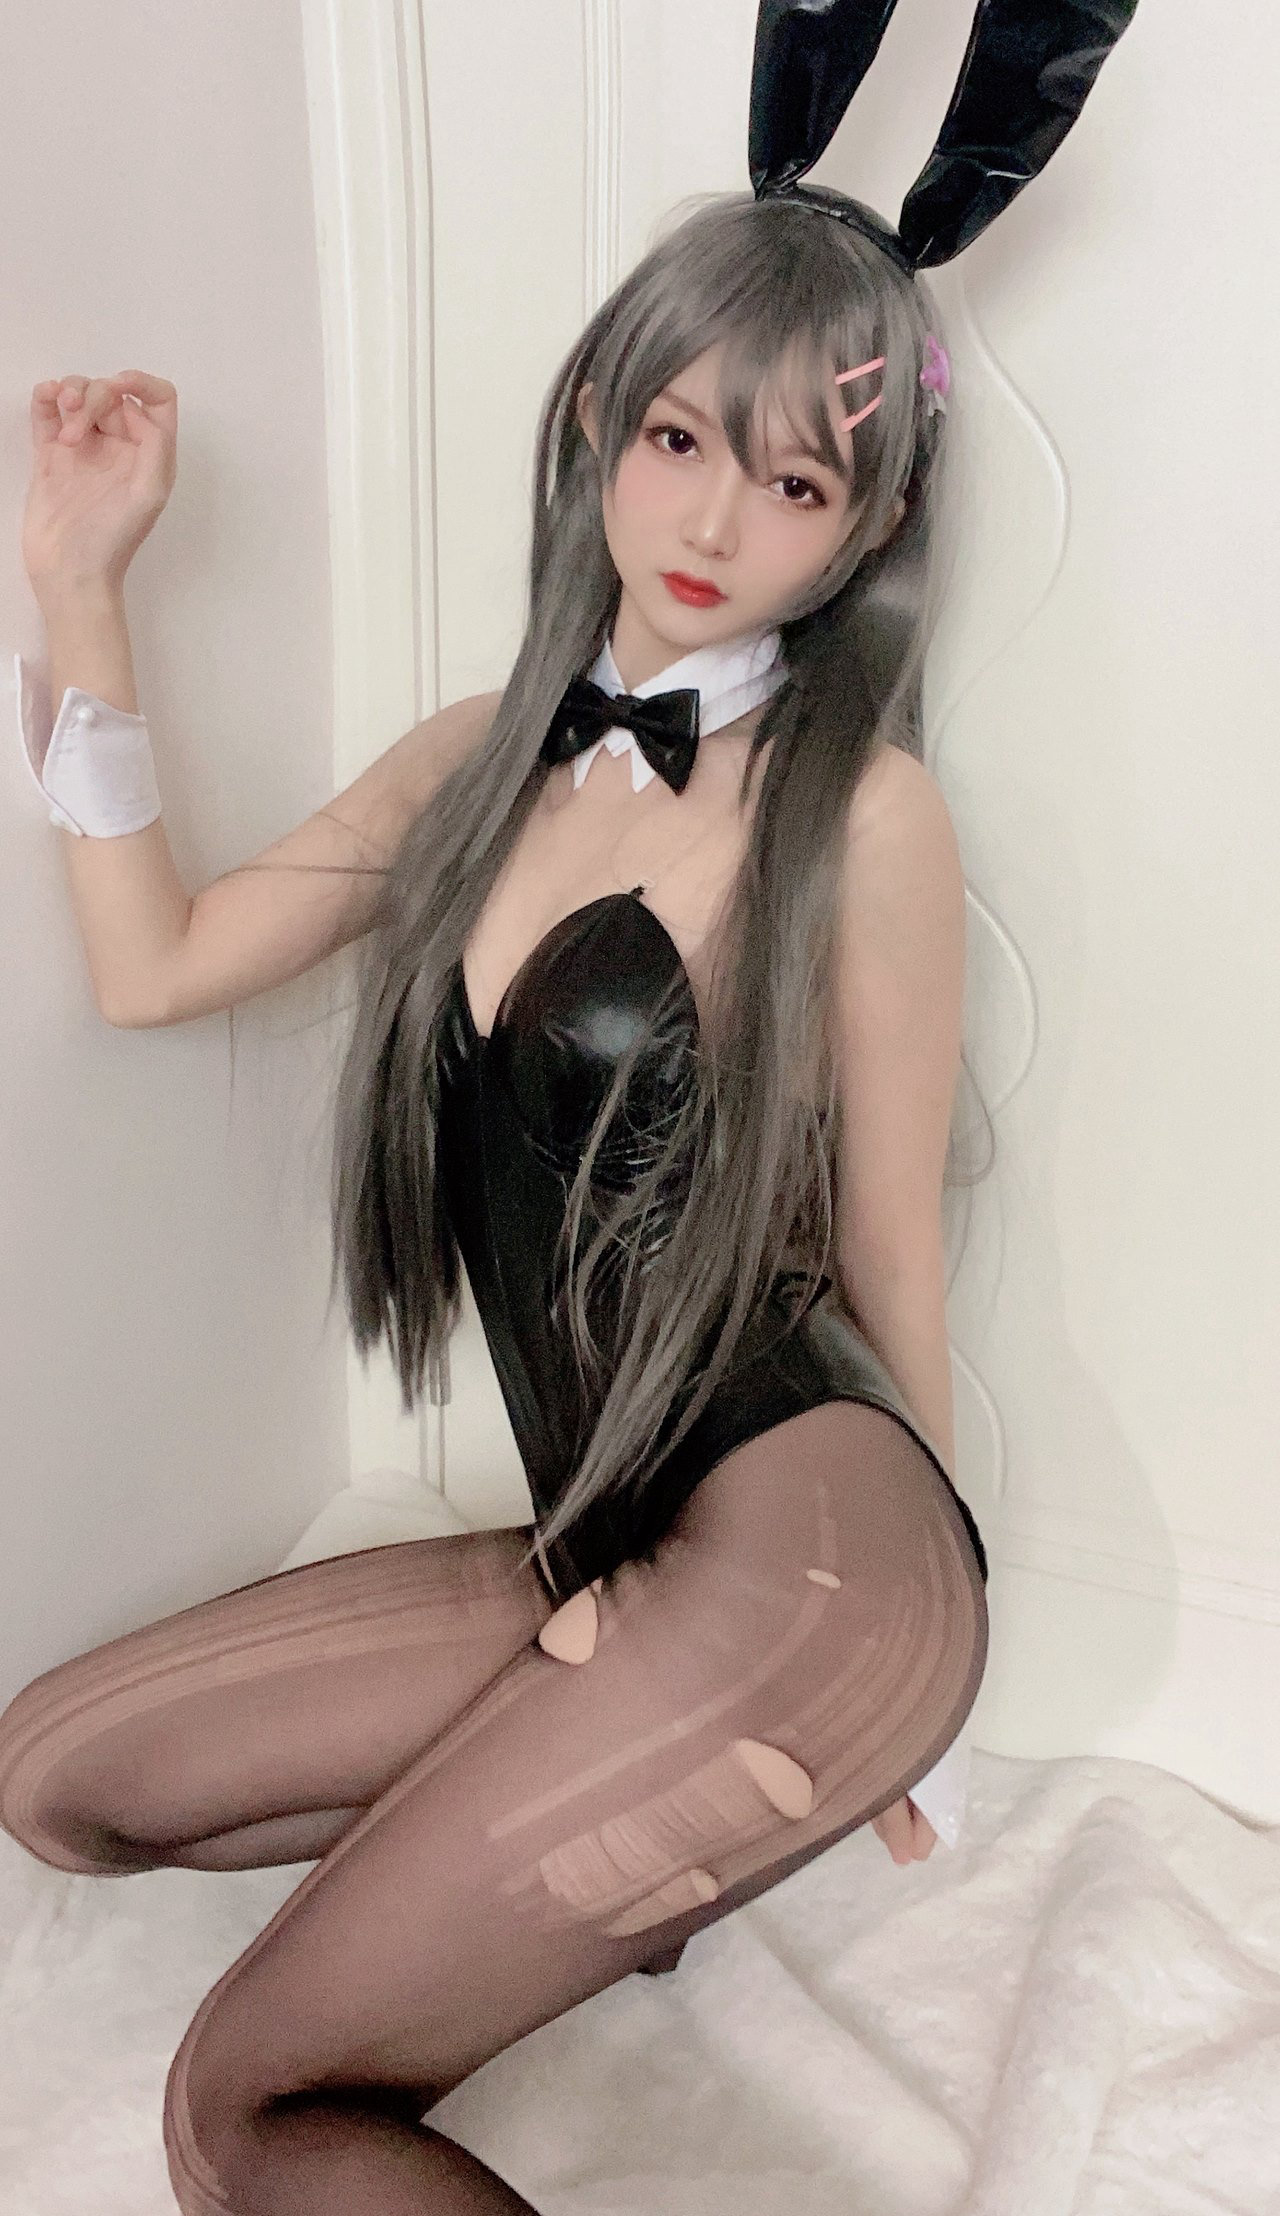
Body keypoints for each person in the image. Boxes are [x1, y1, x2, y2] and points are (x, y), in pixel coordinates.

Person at [0, 3, 1138, 2205]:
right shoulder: (470, 762)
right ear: (599, 419)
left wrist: (918, 1708)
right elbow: (154, 965)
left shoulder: (858, 815)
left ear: (867, 527)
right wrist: (81, 592)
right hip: (603, 1536)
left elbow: (895, 1254)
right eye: (685, 437)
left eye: (798, 483)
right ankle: (612, 1831)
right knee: (54, 1779)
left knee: (242, 2106)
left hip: (819, 1547)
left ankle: (650, 1800)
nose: (716, 520)